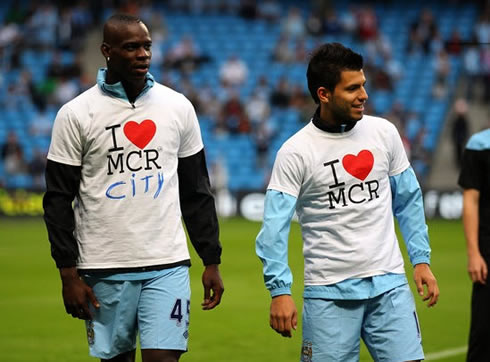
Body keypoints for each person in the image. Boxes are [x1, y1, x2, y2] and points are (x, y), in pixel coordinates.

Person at [43, 14, 224, 362]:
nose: (143, 54)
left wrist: (211, 259)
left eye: (146, 46)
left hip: (167, 262)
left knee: (162, 359)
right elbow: (57, 200)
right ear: (106, 51)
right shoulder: (76, 114)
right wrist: (68, 274)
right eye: (131, 47)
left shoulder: (178, 107)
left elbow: (197, 190)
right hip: (103, 265)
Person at [255, 42, 439, 362]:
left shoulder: (384, 132)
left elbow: (408, 199)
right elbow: (273, 229)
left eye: (363, 85)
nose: (364, 95)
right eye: (353, 88)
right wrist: (280, 291)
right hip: (329, 294)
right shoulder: (295, 152)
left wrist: (420, 259)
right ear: (324, 94)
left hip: (390, 286)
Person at [458, 128, 490, 361]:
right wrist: (473, 253)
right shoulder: (479, 145)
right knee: (483, 331)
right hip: (488, 253)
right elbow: (471, 200)